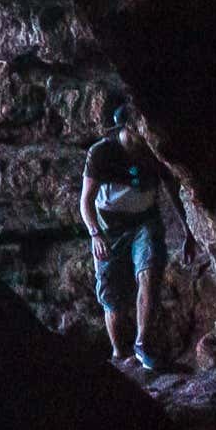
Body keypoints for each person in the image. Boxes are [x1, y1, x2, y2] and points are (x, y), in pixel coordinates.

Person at [81, 110, 170, 371]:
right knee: (113, 298)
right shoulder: (101, 152)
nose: (142, 136)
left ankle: (143, 343)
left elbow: (172, 185)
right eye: (136, 130)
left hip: (145, 221)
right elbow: (86, 201)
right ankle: (120, 354)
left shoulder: (153, 149)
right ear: (125, 128)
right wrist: (95, 233)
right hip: (110, 229)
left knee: (149, 270)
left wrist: (188, 230)